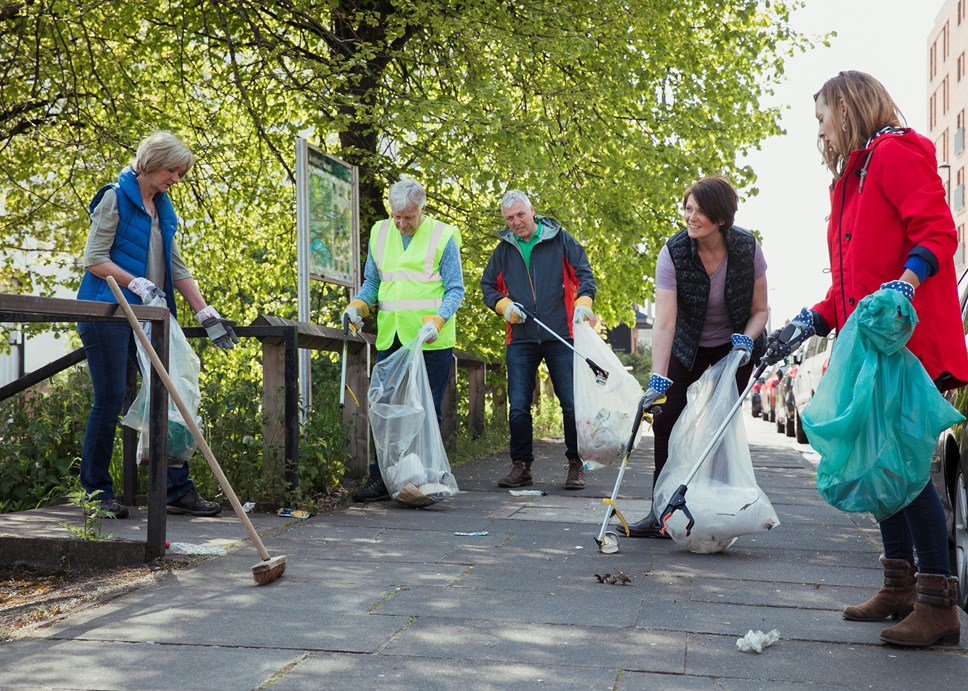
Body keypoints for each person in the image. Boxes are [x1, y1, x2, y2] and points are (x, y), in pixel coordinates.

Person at [770, 70, 968, 648]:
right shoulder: (852, 180)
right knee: (883, 464)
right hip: (874, 344)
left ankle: (938, 604)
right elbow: (852, 284)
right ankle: (899, 584)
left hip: (903, 342)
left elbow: (936, 231)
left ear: (849, 106)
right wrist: (810, 319)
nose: (821, 130)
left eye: (822, 116)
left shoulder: (895, 155)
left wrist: (907, 282)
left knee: (902, 469)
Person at [77, 130, 237, 519]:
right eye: (172, 171)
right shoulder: (115, 197)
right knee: (111, 397)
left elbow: (176, 266)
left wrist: (203, 310)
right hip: (107, 313)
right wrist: (135, 281)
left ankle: (174, 489)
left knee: (169, 398)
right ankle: (96, 493)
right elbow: (94, 258)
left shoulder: (162, 208)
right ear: (151, 163)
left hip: (151, 316)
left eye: (180, 174)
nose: (175, 180)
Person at [625, 176, 769, 538]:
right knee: (667, 416)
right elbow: (665, 323)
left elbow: (760, 310)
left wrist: (746, 340)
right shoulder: (673, 253)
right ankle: (661, 513)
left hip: (735, 344)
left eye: (700, 211)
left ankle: (720, 510)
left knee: (720, 429)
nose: (690, 217)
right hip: (687, 342)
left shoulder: (747, 248)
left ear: (720, 218)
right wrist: (659, 377)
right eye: (688, 209)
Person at [344, 178, 465, 502]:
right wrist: (358, 306)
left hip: (430, 339)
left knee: (426, 411)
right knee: (386, 408)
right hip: (392, 336)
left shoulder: (443, 235)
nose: (401, 223)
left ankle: (425, 481)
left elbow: (455, 289)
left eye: (408, 217)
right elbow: (372, 282)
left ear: (422, 209)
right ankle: (383, 477)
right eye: (397, 216)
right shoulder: (380, 232)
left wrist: (438, 321)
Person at [481, 190, 597, 491]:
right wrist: (503, 307)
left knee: (571, 403)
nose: (516, 222)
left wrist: (584, 301)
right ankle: (521, 467)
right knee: (518, 404)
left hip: (560, 333)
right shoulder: (504, 249)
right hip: (520, 337)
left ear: (532, 211)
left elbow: (585, 273)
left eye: (520, 215)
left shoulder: (559, 239)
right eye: (509, 218)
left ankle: (577, 465)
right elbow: (487, 286)